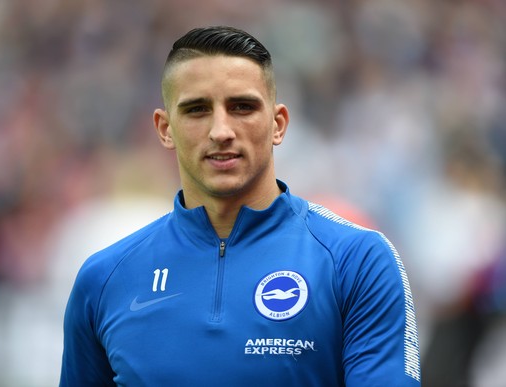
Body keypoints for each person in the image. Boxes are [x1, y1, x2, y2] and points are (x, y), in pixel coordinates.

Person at [60, 26, 421, 386]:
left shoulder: (356, 262)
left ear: (278, 124)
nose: (221, 130)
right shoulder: (104, 280)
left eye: (242, 107)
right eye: (197, 109)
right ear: (165, 128)